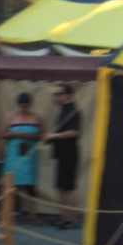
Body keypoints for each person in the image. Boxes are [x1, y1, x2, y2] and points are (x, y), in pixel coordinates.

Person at [1, 92, 45, 225]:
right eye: (21, 106)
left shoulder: (37, 117)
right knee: (11, 185)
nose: (24, 109)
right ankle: (8, 215)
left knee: (31, 186)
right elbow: (2, 134)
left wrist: (34, 137)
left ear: (30, 105)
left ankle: (33, 214)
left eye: (26, 106)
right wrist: (16, 134)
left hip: (29, 155)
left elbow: (43, 135)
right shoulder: (11, 117)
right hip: (14, 154)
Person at [45, 84, 82, 229]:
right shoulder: (62, 111)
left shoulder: (73, 111)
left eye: (58, 94)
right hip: (61, 153)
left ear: (67, 95)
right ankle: (65, 217)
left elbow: (74, 132)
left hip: (69, 153)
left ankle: (71, 219)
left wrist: (53, 135)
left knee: (68, 188)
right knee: (61, 187)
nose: (55, 97)